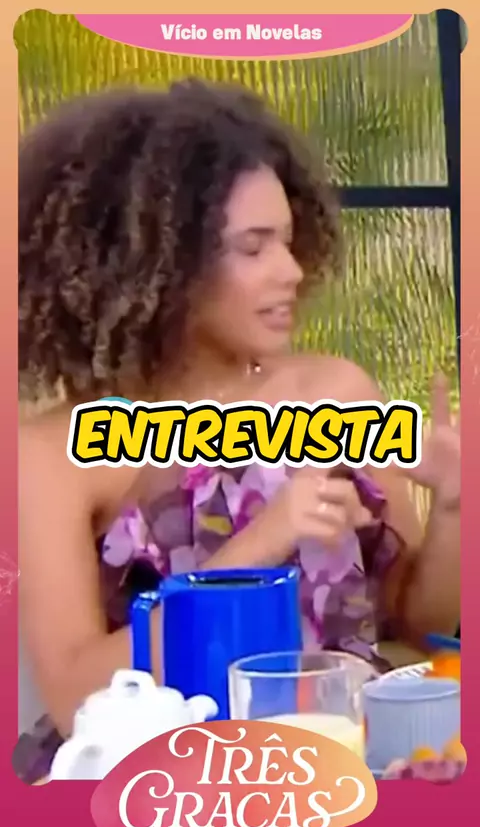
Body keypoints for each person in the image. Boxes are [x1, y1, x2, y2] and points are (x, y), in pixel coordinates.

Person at [16, 79, 460, 783]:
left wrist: (457, 509)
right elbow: (77, 701)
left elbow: (413, 621)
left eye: (289, 241)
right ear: (159, 265)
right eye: (253, 249)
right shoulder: (54, 454)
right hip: (164, 787)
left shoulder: (335, 395)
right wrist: (261, 542)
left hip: (347, 762)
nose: (292, 271)